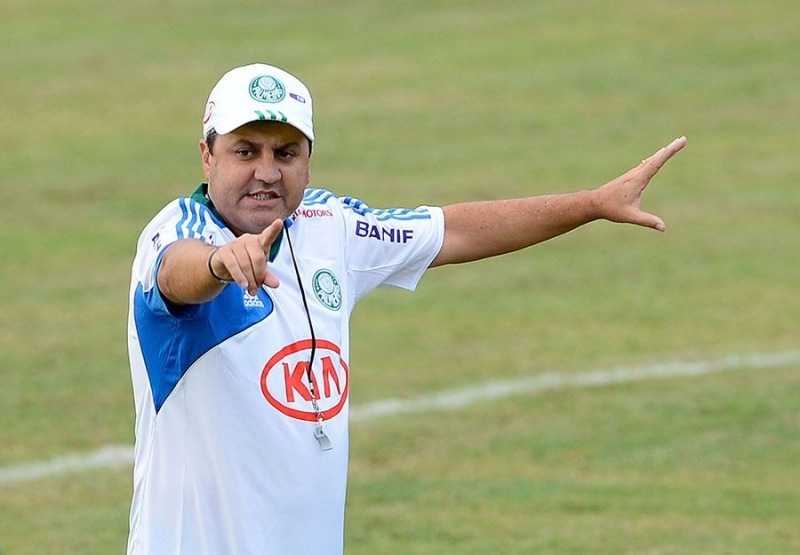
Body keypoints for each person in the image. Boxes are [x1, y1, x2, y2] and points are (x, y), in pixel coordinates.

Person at [126, 62, 687, 555]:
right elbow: (176, 274)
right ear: (207, 156)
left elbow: (454, 231)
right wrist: (220, 264)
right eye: (245, 151)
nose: (268, 171)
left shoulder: (329, 226)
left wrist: (592, 204)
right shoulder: (175, 233)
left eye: (286, 153)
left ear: (309, 162)